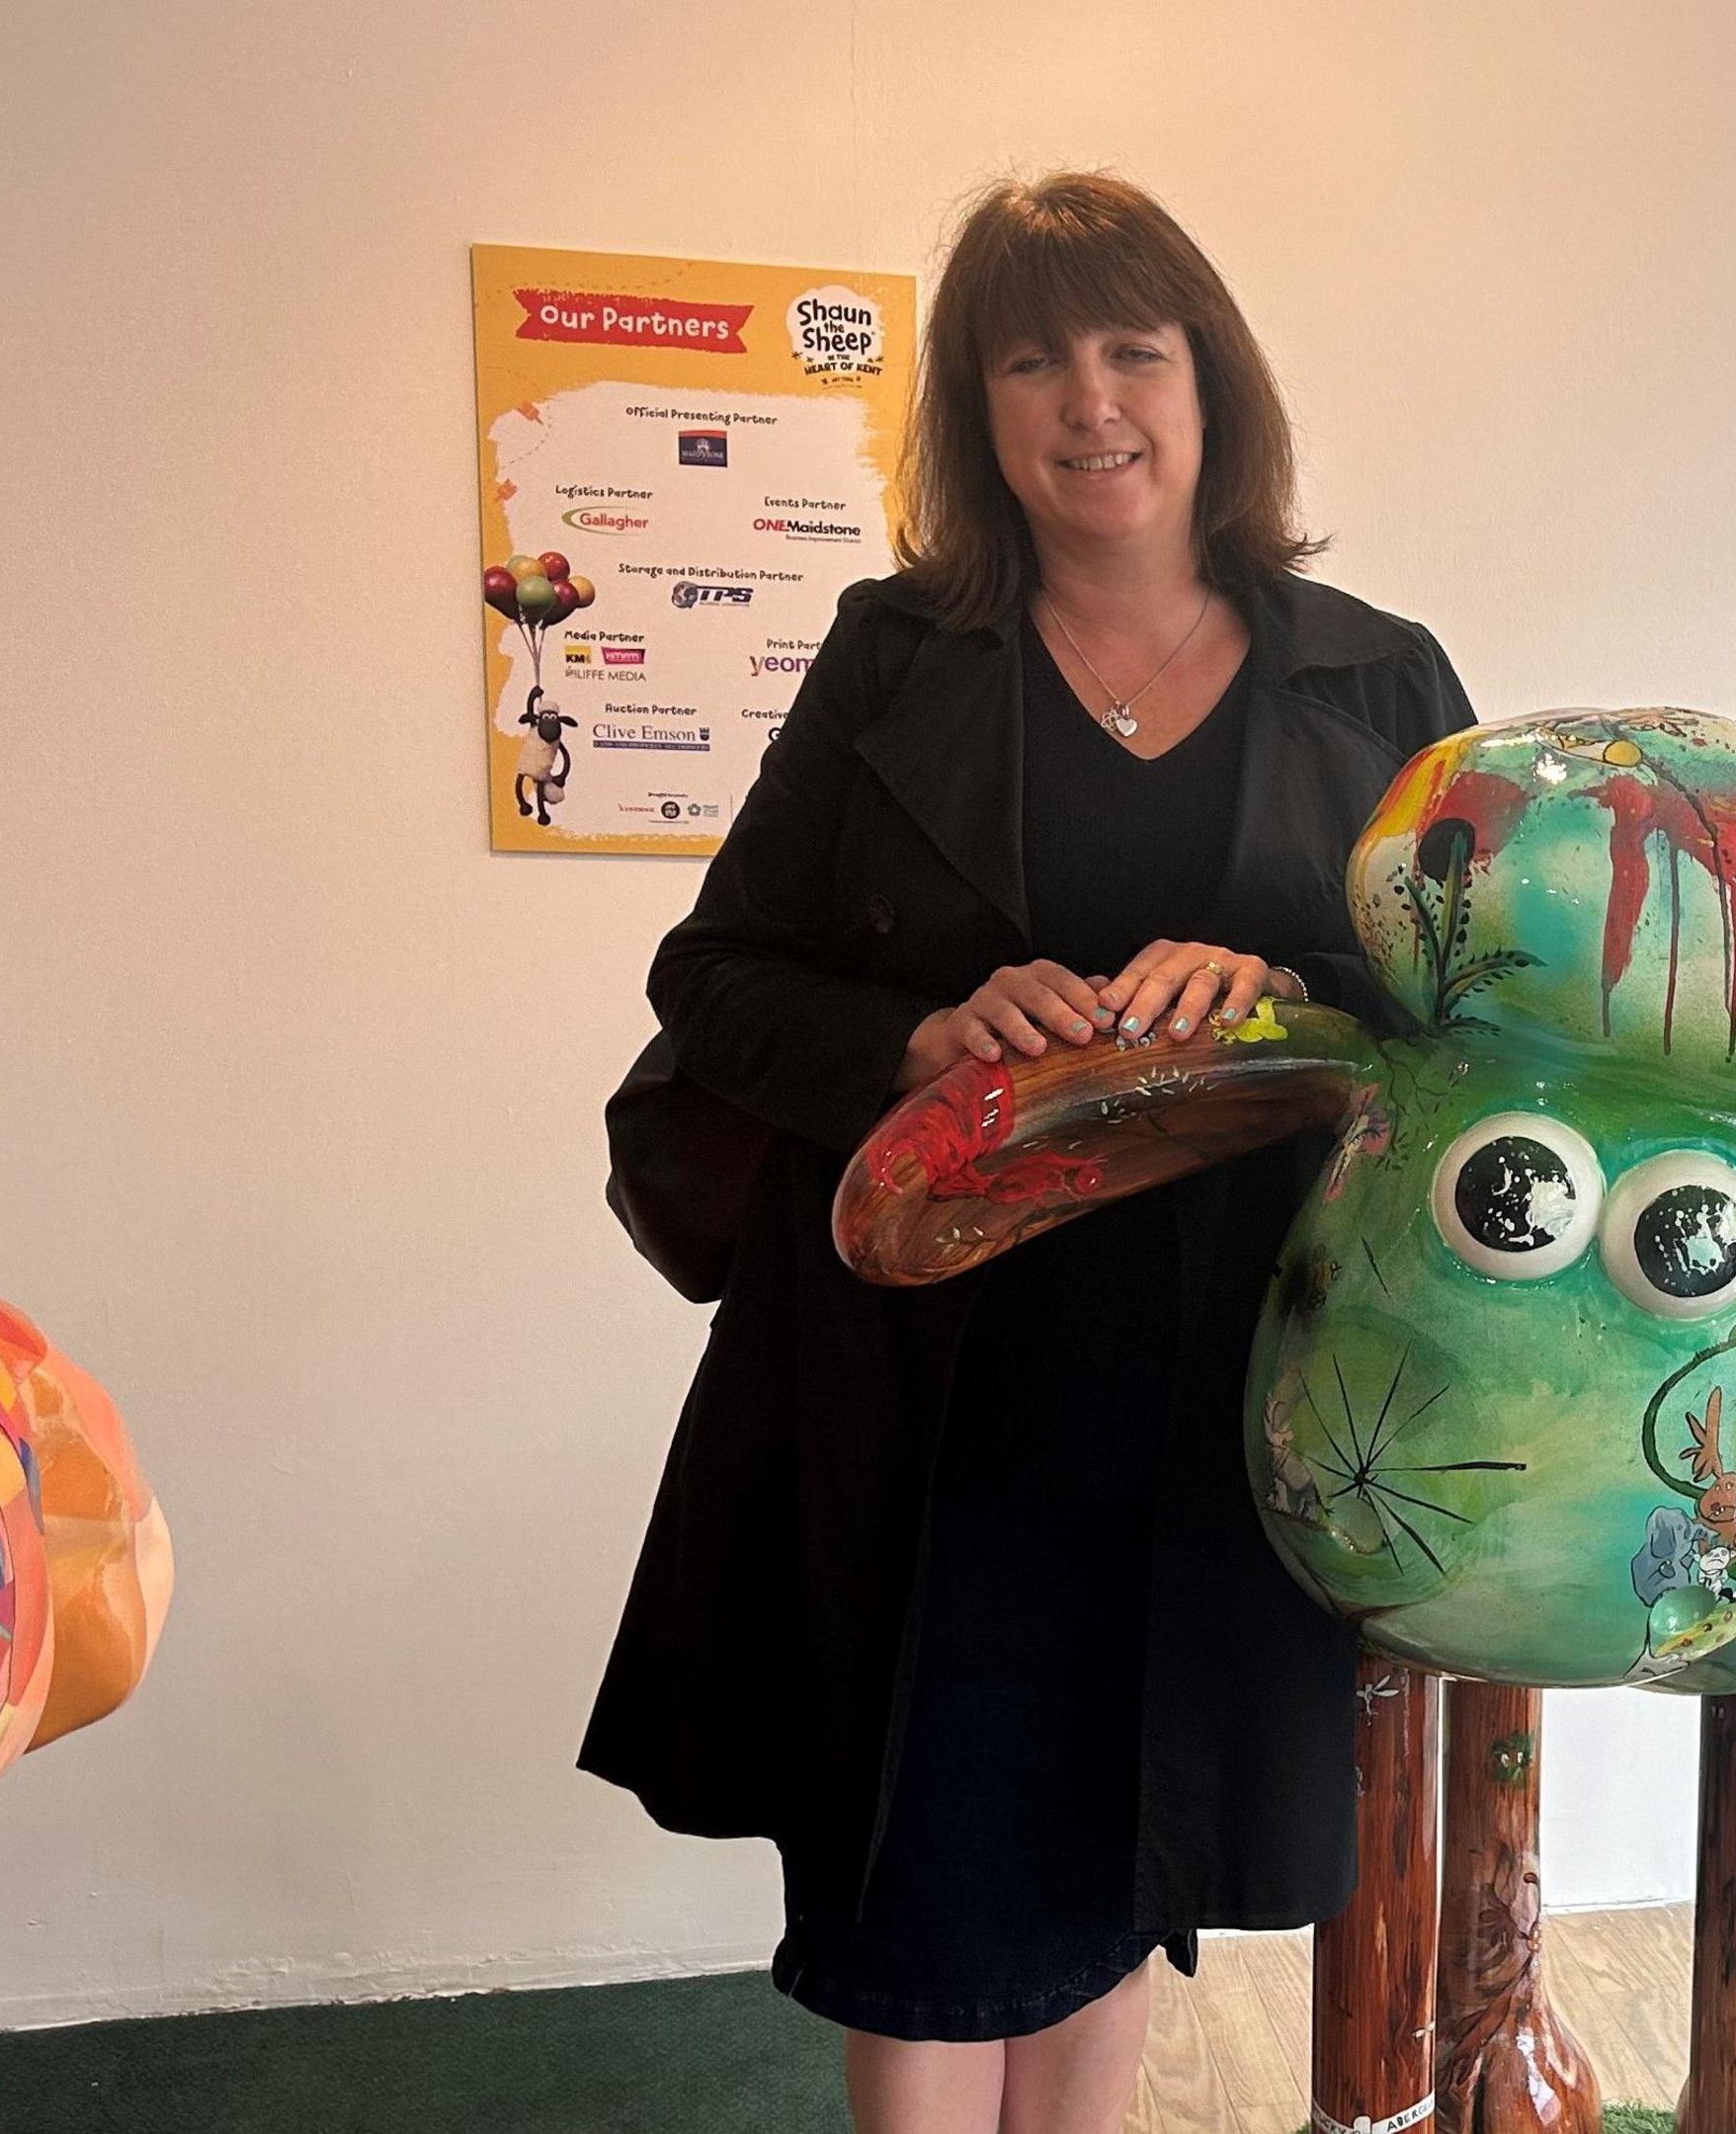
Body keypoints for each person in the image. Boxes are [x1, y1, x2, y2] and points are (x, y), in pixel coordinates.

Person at [582, 172, 1474, 2134]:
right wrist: (916, 1029)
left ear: (1210, 383)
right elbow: (713, 974)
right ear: (977, 412)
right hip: (926, 1385)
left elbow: (1467, 1017)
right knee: (926, 1877)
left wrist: (1281, 982)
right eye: (1031, 359)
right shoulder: (897, 651)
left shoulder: (1375, 678)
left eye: (1132, 349)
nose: (1091, 402)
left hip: (1234, 1388)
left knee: (1123, 1859)